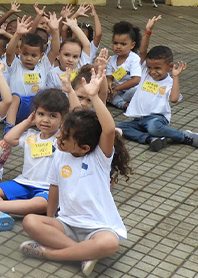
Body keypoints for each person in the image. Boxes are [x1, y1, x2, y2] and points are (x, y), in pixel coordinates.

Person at [20, 65, 131, 273]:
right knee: (31, 222)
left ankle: (50, 253)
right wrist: (50, 218)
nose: (58, 138)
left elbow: (108, 129)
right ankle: (82, 254)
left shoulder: (99, 157)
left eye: (64, 138)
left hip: (98, 228)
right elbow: (54, 188)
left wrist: (95, 97)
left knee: (110, 243)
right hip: (67, 225)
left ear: (85, 147)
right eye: (61, 133)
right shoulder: (60, 154)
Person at [0, 88, 70, 224]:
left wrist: (65, 125)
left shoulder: (61, 139)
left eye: (53, 116)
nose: (45, 120)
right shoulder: (31, 136)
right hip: (24, 182)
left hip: (47, 187)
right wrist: (28, 122)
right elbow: (8, 138)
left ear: (63, 118)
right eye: (41, 114)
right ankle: (1, 215)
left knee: (42, 204)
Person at [118, 28, 198, 151]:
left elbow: (174, 99)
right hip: (139, 119)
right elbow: (143, 51)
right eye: (150, 67)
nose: (152, 71)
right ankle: (150, 139)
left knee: (153, 128)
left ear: (170, 66)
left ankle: (183, 136)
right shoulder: (145, 73)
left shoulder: (169, 82)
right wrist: (148, 31)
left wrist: (176, 76)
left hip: (156, 119)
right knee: (118, 127)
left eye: (157, 68)